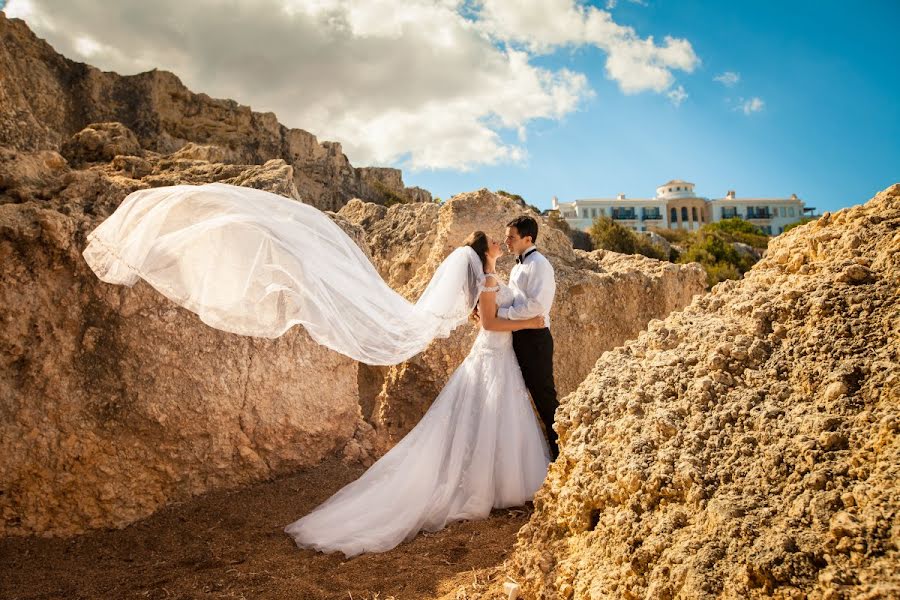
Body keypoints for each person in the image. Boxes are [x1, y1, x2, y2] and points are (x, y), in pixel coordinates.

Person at [80, 183, 554, 558]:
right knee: (486, 421)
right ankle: (489, 488)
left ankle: (496, 486)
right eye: (497, 240)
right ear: (482, 255)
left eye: (506, 236)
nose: (501, 240)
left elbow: (488, 315)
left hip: (497, 357)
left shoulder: (504, 272)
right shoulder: (490, 274)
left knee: (489, 421)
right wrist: (536, 319)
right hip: (493, 352)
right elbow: (490, 319)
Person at [503, 216, 560, 459]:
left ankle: (561, 453)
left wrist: (502, 314)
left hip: (535, 340)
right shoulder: (517, 266)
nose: (507, 241)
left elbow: (537, 305)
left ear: (528, 239)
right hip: (517, 338)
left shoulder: (540, 264)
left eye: (511, 237)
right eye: (506, 236)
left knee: (544, 399)